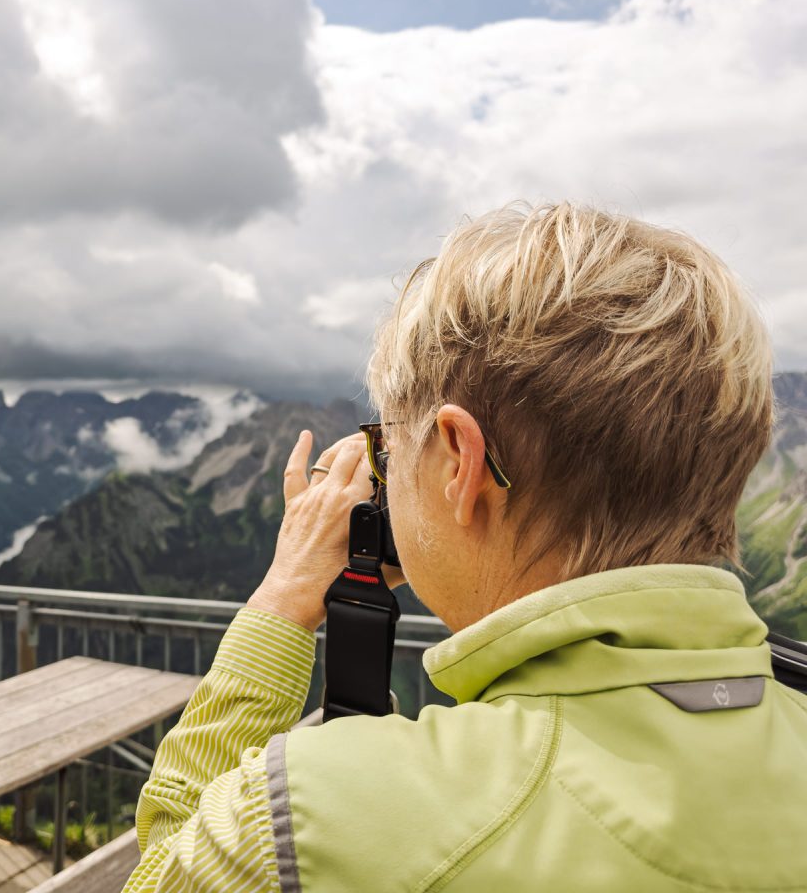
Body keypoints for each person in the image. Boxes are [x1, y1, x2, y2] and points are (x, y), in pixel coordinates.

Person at [124, 202, 807, 891]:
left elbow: (162, 869)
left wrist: (284, 599)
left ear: (460, 461)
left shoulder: (316, 814)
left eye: (388, 446)